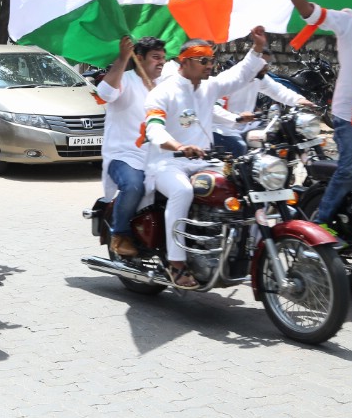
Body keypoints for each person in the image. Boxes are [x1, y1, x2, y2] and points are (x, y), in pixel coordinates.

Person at [142, 27, 268, 288]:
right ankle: (176, 264)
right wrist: (178, 145)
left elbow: (239, 75)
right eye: (203, 61)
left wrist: (257, 48)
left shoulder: (208, 88)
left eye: (212, 61)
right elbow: (154, 128)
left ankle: (249, 248)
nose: (210, 66)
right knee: (182, 192)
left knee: (247, 186)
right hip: (167, 163)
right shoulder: (162, 92)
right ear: (185, 61)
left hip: (204, 162)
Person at [272, 0, 352, 230]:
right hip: (349, 115)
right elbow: (308, 12)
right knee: (349, 170)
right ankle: (320, 223)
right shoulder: (349, 22)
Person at [96, 36, 166, 257]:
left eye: (163, 58)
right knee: (134, 185)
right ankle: (120, 234)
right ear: (140, 59)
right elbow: (104, 94)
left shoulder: (164, 87)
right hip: (124, 155)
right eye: (155, 57)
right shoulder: (126, 79)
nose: (161, 62)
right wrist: (123, 57)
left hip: (157, 157)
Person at [213, 48, 313, 156]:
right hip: (223, 128)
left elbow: (278, 90)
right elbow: (214, 107)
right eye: (263, 63)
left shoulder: (258, 77)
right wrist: (236, 118)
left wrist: (299, 100)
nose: (266, 67)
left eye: (267, 63)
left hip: (247, 125)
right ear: (252, 62)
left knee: (279, 135)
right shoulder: (230, 78)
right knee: (240, 147)